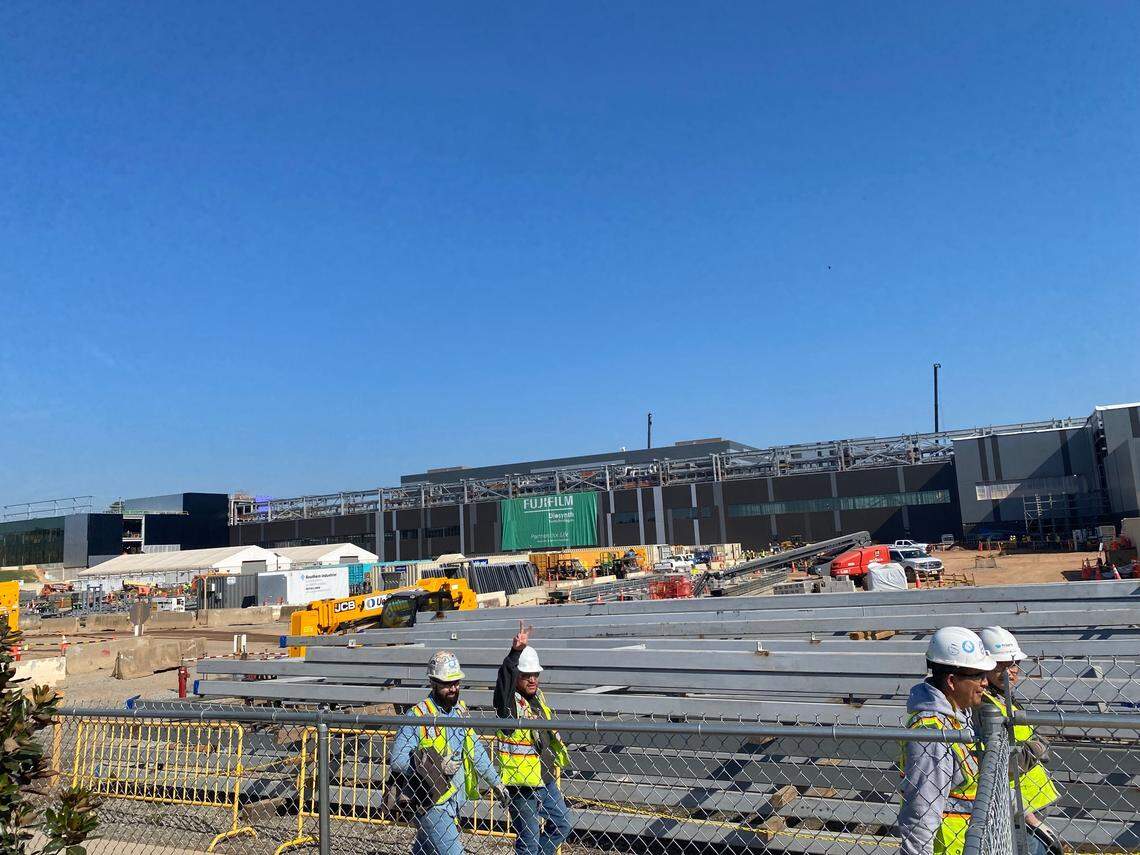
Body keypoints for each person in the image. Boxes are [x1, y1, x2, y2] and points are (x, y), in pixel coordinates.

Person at [391, 650, 507, 855]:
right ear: (433, 683)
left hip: (452, 801)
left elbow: (475, 749)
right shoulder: (417, 715)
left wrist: (495, 781)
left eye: (456, 683)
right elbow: (398, 761)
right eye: (447, 684)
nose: (453, 688)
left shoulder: (460, 712)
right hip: (429, 802)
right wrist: (435, 766)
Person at [898, 627, 995, 855]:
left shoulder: (959, 716)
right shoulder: (932, 734)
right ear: (952, 681)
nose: (985, 683)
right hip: (952, 847)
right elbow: (921, 811)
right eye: (977, 676)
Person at [978, 626, 1063, 855]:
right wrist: (1037, 746)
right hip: (1015, 810)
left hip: (1026, 805)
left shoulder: (1004, 699)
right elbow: (1000, 765)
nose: (1010, 672)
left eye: (1014, 664)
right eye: (1002, 666)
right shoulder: (985, 706)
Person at [494, 622, 572, 855]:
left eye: (535, 675)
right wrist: (514, 653)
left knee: (562, 824)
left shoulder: (538, 698)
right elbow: (502, 687)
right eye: (526, 675)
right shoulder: (508, 706)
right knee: (528, 841)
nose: (532, 679)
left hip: (545, 778)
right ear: (517, 676)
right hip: (522, 785)